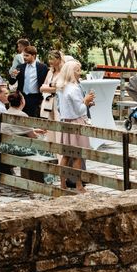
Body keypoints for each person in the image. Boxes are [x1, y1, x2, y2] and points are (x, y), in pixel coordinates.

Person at [56, 61, 95, 192]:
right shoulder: (74, 88)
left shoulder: (62, 87)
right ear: (71, 72)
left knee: (66, 156)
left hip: (65, 122)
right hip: (76, 123)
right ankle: (78, 185)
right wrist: (87, 101)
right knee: (78, 156)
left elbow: (62, 107)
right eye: (77, 70)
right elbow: (79, 110)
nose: (80, 73)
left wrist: (85, 102)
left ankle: (62, 184)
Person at [9, 45, 49, 117]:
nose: (24, 57)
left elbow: (46, 82)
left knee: (32, 118)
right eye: (24, 55)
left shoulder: (42, 67)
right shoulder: (20, 67)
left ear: (33, 56)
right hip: (21, 97)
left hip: (35, 98)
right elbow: (11, 82)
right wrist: (13, 75)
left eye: (27, 55)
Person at [39, 51, 65, 143]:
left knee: (58, 123)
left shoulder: (63, 72)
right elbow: (43, 86)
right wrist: (49, 88)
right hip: (49, 101)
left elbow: (60, 88)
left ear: (58, 59)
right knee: (49, 124)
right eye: (49, 59)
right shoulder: (50, 72)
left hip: (58, 101)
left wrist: (47, 88)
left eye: (52, 59)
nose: (50, 61)